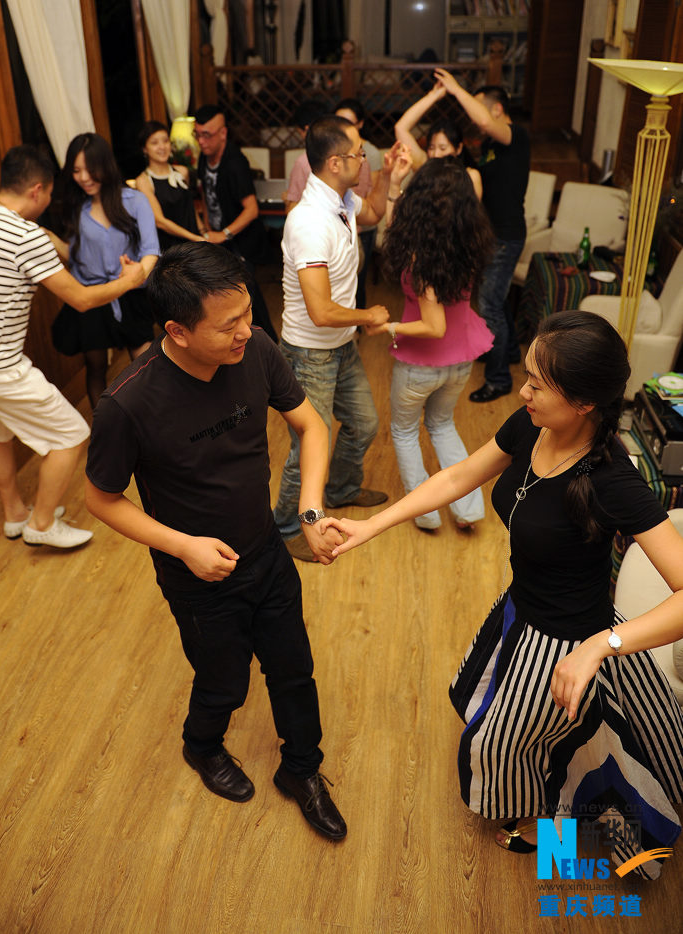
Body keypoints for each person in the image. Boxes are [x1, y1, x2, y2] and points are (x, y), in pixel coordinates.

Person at [325, 310, 683, 879]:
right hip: (523, 615)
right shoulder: (532, 426)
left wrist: (600, 647)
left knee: (522, 740)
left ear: (586, 402)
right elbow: (459, 476)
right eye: (528, 374)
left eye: (539, 383)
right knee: (530, 735)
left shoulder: (613, 478)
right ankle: (550, 807)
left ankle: (567, 832)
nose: (523, 390)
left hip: (572, 639)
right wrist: (371, 527)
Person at [84, 242, 347, 842]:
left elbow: (309, 424)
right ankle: (202, 746)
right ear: (176, 330)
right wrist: (182, 546)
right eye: (228, 325)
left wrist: (307, 512)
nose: (247, 333)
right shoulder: (128, 402)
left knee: (293, 668)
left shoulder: (253, 349)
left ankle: (302, 770)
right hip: (198, 577)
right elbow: (100, 499)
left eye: (248, 315)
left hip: (266, 552)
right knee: (222, 681)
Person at [0, 145, 144, 548]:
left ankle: (15, 514)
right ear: (37, 190)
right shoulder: (24, 234)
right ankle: (40, 526)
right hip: (1, 368)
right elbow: (82, 299)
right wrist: (129, 281)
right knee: (70, 435)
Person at [273, 116, 396, 562]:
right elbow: (320, 312)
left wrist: (387, 175)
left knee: (363, 424)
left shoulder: (343, 200)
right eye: (360, 154)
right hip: (310, 353)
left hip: (340, 347)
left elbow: (377, 212)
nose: (365, 159)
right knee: (308, 445)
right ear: (335, 161)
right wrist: (369, 315)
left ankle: (341, 489)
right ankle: (286, 528)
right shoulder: (308, 222)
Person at [378, 156, 494, 531]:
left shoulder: (421, 257)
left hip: (421, 366)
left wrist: (394, 326)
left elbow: (433, 325)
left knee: (405, 431)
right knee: (443, 426)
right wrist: (393, 185)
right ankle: (469, 510)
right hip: (460, 362)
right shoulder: (467, 243)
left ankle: (425, 514)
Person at [432, 71, 529, 403]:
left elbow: (486, 124)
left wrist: (457, 89)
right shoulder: (489, 146)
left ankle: (499, 378)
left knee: (488, 305)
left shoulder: (516, 135)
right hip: (491, 235)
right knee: (496, 300)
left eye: (480, 107)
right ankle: (510, 353)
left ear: (497, 109)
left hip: (506, 236)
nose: (478, 116)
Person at [52, 133, 160, 409]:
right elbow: (77, 257)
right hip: (93, 297)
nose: (84, 177)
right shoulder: (77, 207)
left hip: (132, 294)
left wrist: (137, 273)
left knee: (146, 365)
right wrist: (49, 239)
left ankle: (152, 424)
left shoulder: (134, 200)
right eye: (76, 170)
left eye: (90, 169)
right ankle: (105, 428)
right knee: (95, 366)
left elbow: (151, 250)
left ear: (106, 165)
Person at [193, 105, 277, 342]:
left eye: (206, 135)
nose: (201, 141)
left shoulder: (235, 162)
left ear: (223, 133)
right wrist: (209, 230)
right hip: (221, 240)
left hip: (241, 243)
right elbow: (206, 195)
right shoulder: (203, 158)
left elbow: (251, 210)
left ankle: (271, 347)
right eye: (197, 134)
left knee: (249, 301)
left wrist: (225, 233)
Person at [394, 81, 482, 198]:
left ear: (459, 148)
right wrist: (433, 96)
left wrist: (457, 91)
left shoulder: (470, 176)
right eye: (431, 147)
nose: (435, 154)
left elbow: (471, 213)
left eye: (443, 148)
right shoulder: (424, 166)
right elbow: (400, 128)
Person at [335, 98, 382, 308]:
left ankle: (358, 328)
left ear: (360, 124)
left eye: (350, 122)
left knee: (358, 280)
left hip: (363, 223)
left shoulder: (370, 152)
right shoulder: (332, 149)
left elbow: (373, 191)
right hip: (340, 221)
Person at [135, 120, 205, 250]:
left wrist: (202, 231)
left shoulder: (182, 171)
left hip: (196, 241)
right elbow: (160, 221)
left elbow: (189, 206)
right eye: (154, 143)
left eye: (165, 141)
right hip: (172, 248)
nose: (162, 147)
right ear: (145, 149)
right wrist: (194, 238)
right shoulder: (143, 181)